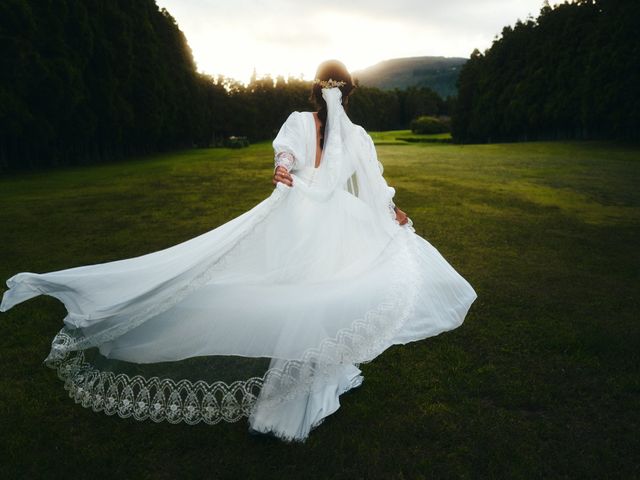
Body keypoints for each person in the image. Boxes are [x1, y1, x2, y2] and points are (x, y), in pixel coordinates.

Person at [0, 59, 478, 442]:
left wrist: (285, 169)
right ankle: (294, 397)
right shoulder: (357, 135)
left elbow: (286, 154)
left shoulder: (303, 122)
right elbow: (371, 185)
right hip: (336, 221)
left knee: (300, 294)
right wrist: (392, 213)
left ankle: (299, 388)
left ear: (316, 90)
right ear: (347, 92)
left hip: (299, 219)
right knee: (320, 296)